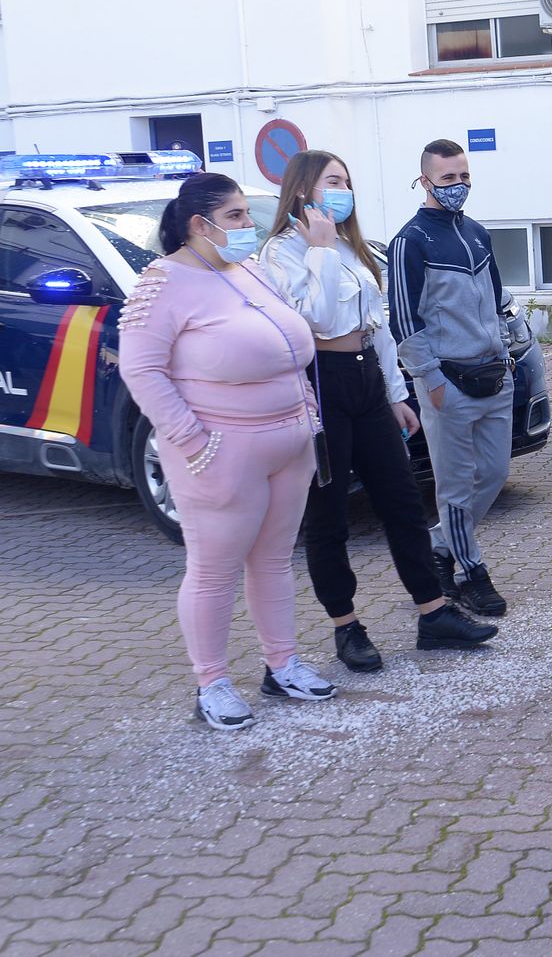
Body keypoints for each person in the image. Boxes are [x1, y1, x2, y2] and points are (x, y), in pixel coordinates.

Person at [258, 150, 498, 671]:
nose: (344, 190)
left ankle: (433, 613)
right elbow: (314, 321)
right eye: (333, 181)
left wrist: (395, 394)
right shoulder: (281, 253)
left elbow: (379, 323)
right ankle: (346, 626)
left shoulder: (350, 247)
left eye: (347, 180)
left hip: (366, 378)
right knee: (329, 516)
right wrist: (319, 250)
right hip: (320, 383)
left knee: (402, 500)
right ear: (302, 191)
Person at [119, 172, 338, 731]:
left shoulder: (250, 270)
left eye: (246, 214)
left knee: (272, 561)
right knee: (214, 569)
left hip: (289, 440)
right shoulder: (163, 282)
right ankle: (211, 681)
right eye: (237, 216)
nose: (248, 225)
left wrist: (306, 411)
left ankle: (281, 663)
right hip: (222, 447)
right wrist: (192, 440)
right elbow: (141, 369)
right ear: (199, 224)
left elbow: (295, 338)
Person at [388, 139, 515, 616]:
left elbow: (499, 303)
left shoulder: (479, 234)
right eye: (447, 179)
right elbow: (404, 321)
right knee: (456, 487)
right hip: (447, 385)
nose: (458, 186)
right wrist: (431, 380)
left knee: (496, 473)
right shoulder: (409, 242)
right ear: (424, 181)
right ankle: (469, 572)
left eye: (464, 176)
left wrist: (506, 359)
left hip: (493, 379)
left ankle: (439, 546)